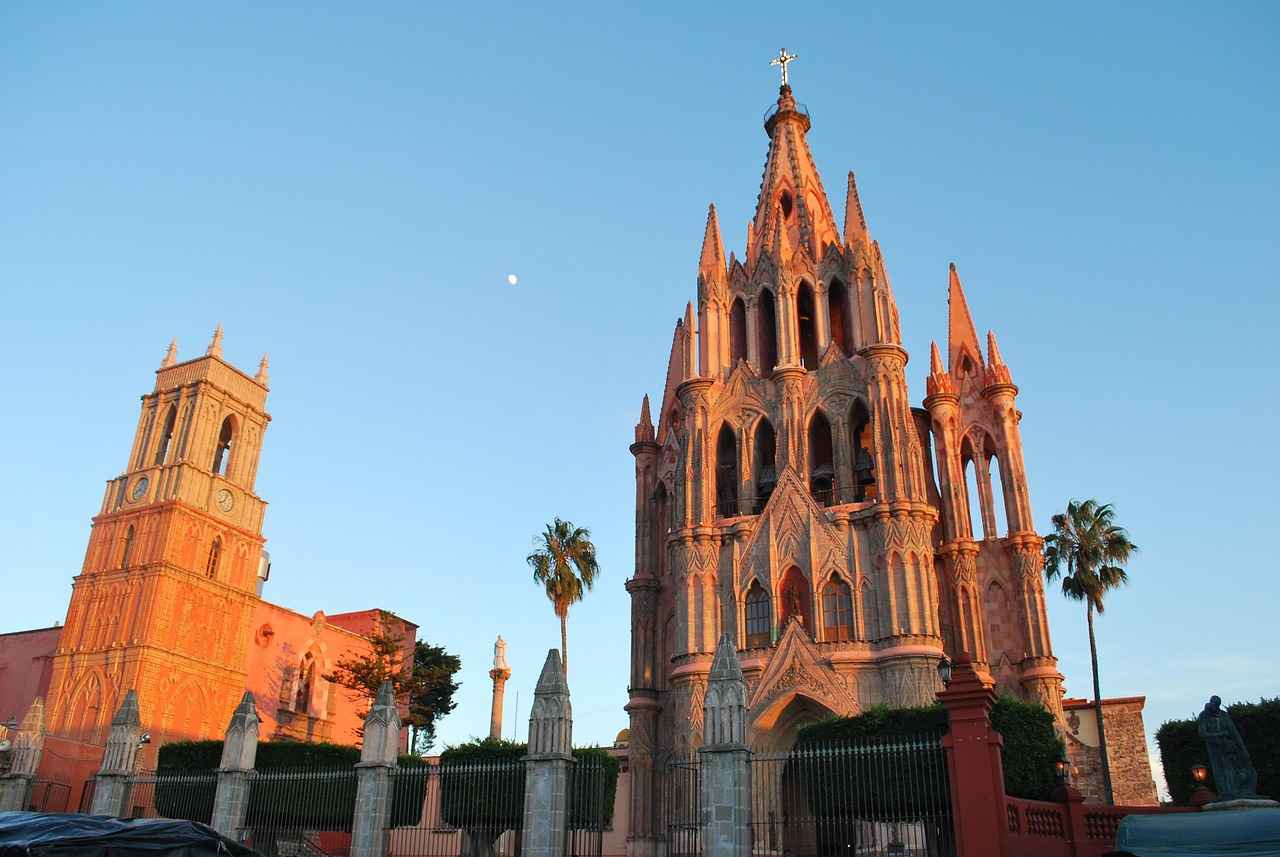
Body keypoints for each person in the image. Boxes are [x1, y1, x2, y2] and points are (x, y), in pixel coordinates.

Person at [1197, 695, 1258, 800]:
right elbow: (1203, 733)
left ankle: (1238, 790)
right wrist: (1220, 734)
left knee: (1234, 768)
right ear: (1211, 704)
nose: (1215, 707)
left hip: (1229, 746)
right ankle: (1227, 792)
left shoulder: (1224, 715)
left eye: (1217, 705)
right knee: (1221, 770)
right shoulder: (1204, 715)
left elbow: (1234, 733)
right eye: (1214, 705)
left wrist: (1243, 749)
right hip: (1215, 749)